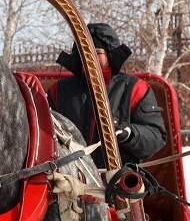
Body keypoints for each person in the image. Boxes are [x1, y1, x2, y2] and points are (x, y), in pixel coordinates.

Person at [48, 23, 167, 168]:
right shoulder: (58, 90)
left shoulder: (135, 89)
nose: (89, 58)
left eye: (97, 52)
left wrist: (130, 134)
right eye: (84, 52)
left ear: (109, 55)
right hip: (70, 180)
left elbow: (156, 137)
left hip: (118, 180)